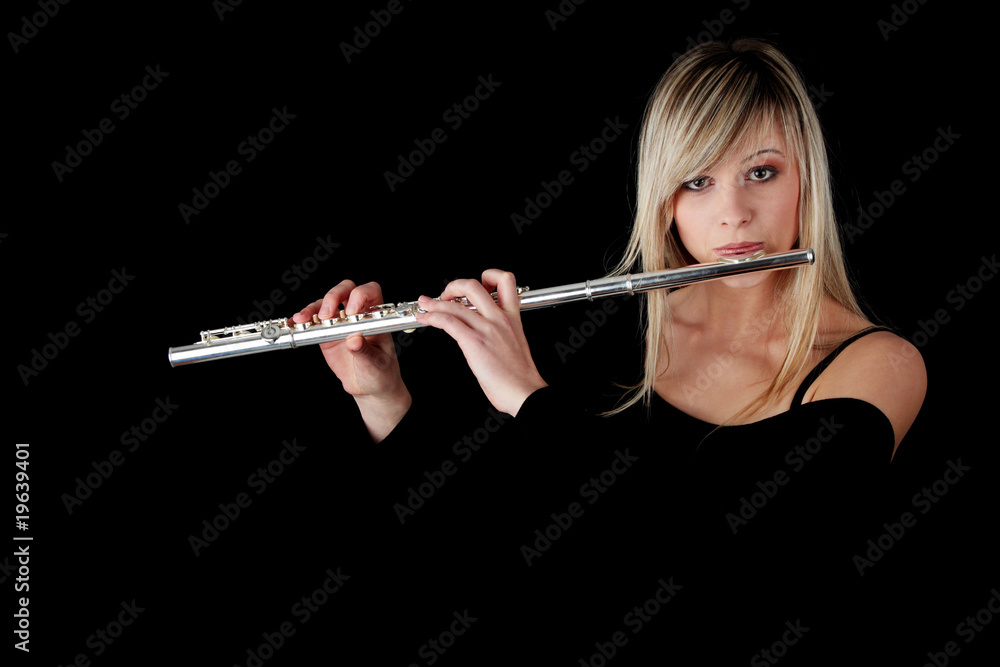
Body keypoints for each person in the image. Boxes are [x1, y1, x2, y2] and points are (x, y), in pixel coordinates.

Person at [293, 38, 926, 663]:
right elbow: (469, 548)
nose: (732, 213)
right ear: (665, 196)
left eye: (761, 172)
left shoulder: (877, 365)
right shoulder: (610, 326)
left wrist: (527, 397)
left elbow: (741, 562)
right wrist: (382, 396)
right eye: (697, 180)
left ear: (806, 176)